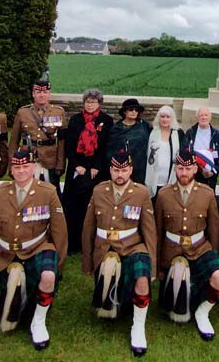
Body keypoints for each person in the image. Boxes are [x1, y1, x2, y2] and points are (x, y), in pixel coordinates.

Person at [0, 148, 68, 350]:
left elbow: (59, 230)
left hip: (37, 247)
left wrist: (59, 264)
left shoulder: (47, 191)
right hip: (7, 253)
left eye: (25, 166)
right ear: (11, 170)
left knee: (48, 275)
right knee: (10, 308)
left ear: (33, 168)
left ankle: (39, 321)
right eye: (17, 167)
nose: (21, 171)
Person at [82, 148, 158, 357]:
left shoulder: (141, 192)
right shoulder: (99, 190)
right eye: (116, 170)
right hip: (104, 248)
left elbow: (149, 231)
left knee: (141, 278)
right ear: (110, 170)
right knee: (108, 302)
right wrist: (87, 262)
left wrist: (152, 264)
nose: (120, 175)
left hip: (133, 245)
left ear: (131, 170)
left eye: (124, 170)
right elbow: (88, 227)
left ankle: (138, 326)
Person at [154, 148, 219, 340]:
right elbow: (157, 232)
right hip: (171, 251)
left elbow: (214, 229)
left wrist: (213, 252)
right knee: (171, 301)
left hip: (200, 248)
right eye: (180, 168)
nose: (184, 173)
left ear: (195, 169)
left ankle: (203, 311)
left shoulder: (207, 193)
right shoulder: (163, 194)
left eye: (188, 168)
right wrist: (158, 265)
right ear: (175, 169)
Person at [63, 88, 114, 254]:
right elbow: (69, 145)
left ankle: (92, 244)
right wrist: (77, 164)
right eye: (87, 101)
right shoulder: (76, 120)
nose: (90, 104)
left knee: (92, 207)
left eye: (93, 102)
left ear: (99, 103)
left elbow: (106, 145)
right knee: (73, 206)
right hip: (77, 167)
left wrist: (96, 166)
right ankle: (74, 244)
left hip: (96, 169)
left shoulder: (106, 121)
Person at [9, 71, 67, 186]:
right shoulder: (23, 112)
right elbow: (14, 141)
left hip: (50, 158)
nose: (42, 95)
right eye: (38, 92)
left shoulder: (58, 112)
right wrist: (12, 163)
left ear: (49, 94)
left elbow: (62, 141)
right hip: (27, 157)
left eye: (45, 92)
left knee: (51, 192)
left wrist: (60, 163)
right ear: (33, 94)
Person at [107, 98, 152, 184]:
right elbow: (110, 150)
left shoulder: (144, 126)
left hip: (140, 167)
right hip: (121, 168)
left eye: (136, 110)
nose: (134, 112)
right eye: (131, 110)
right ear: (124, 112)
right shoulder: (116, 129)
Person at [144, 105, 186, 198]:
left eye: (168, 117)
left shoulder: (178, 134)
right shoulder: (152, 132)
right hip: (154, 176)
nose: (165, 119)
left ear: (172, 119)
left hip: (171, 176)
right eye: (162, 117)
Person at [184, 106, 219, 190]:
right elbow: (184, 152)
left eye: (206, 115)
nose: (203, 117)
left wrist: (214, 171)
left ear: (210, 117)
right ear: (197, 118)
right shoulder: (190, 133)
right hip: (193, 173)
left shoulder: (218, 135)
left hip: (211, 176)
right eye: (201, 115)